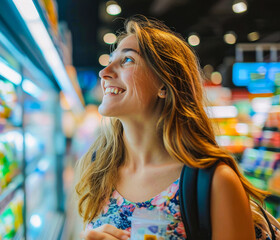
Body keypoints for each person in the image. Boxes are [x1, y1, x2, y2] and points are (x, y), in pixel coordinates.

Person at [75, 15, 268, 240]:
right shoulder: (99, 171)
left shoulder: (214, 181)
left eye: (127, 60)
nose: (104, 72)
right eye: (110, 59)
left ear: (164, 85)